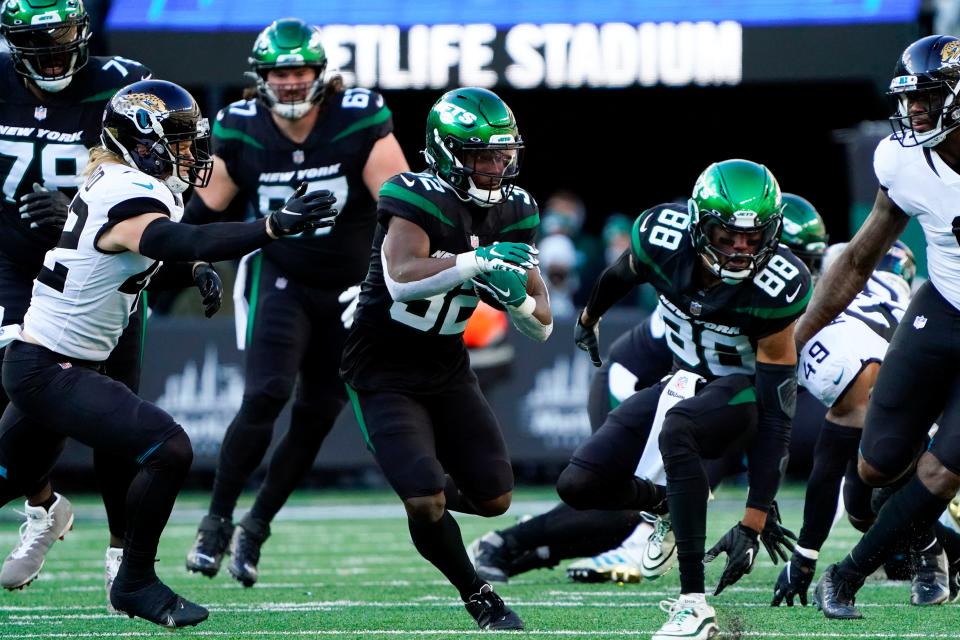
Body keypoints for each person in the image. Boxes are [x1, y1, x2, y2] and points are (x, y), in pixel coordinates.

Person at [0, 78, 338, 628]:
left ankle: (124, 574)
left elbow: (140, 255)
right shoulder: (129, 190)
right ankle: (134, 582)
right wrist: (269, 227)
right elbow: (175, 241)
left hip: (45, 364)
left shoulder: (120, 179)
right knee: (168, 448)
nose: (190, 151)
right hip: (51, 370)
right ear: (139, 138)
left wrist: (195, 269)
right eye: (178, 139)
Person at [467, 194, 829, 586]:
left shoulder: (777, 297)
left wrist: (759, 506)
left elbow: (763, 411)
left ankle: (526, 550)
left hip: (703, 397)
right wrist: (589, 318)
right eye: (801, 260)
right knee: (624, 503)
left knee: (663, 500)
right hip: (640, 379)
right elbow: (626, 277)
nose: (805, 274)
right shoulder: (701, 272)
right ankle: (504, 545)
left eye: (812, 264)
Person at [183, 17, 409, 587]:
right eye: (279, 72)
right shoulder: (239, 127)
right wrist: (192, 259)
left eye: (298, 70)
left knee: (317, 412)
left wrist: (394, 278)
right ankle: (215, 522)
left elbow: (403, 203)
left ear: (320, 73)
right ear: (261, 77)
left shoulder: (358, 115)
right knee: (266, 393)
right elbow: (202, 214)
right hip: (278, 274)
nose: (288, 82)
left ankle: (256, 525)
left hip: (349, 285)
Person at [558, 159, 807, 640]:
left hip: (741, 398)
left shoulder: (778, 285)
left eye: (753, 238)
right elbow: (622, 271)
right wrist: (588, 318)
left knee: (680, 427)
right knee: (579, 484)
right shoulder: (661, 237)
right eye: (727, 234)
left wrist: (754, 520)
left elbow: (778, 414)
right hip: (683, 380)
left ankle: (694, 607)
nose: (739, 248)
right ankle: (664, 505)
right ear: (697, 225)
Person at [340, 86, 552, 630]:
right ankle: (477, 593)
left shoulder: (516, 207)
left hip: (446, 367)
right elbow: (402, 279)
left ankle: (421, 481)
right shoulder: (413, 195)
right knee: (426, 503)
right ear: (445, 152)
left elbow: (543, 324)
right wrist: (477, 261)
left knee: (496, 498)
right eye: (480, 154)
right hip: (383, 370)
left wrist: (518, 300)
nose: (494, 166)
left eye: (501, 153)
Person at [0, 0, 161, 602]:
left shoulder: (122, 84)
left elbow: (158, 179)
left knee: (112, 410)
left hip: (98, 266)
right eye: (36, 39)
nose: (52, 49)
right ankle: (43, 508)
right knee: (18, 387)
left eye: (63, 34)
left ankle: (121, 550)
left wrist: (72, 205)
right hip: (16, 262)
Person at [795, 34, 960, 620]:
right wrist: (798, 338)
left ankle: (846, 577)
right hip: (941, 305)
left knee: (940, 471)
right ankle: (936, 542)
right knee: (875, 463)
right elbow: (861, 255)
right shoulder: (902, 158)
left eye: (929, 97)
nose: (915, 110)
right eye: (909, 98)